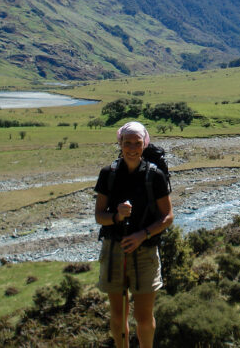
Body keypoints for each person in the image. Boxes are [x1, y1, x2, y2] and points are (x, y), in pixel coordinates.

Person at [95, 121, 173, 348]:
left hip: (145, 250)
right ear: (119, 143)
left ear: (144, 144)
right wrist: (117, 217)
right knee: (118, 317)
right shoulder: (108, 174)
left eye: (137, 143)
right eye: (126, 143)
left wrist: (142, 235)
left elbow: (168, 217)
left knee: (143, 318)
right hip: (114, 248)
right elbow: (99, 215)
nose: (131, 147)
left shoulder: (155, 176)